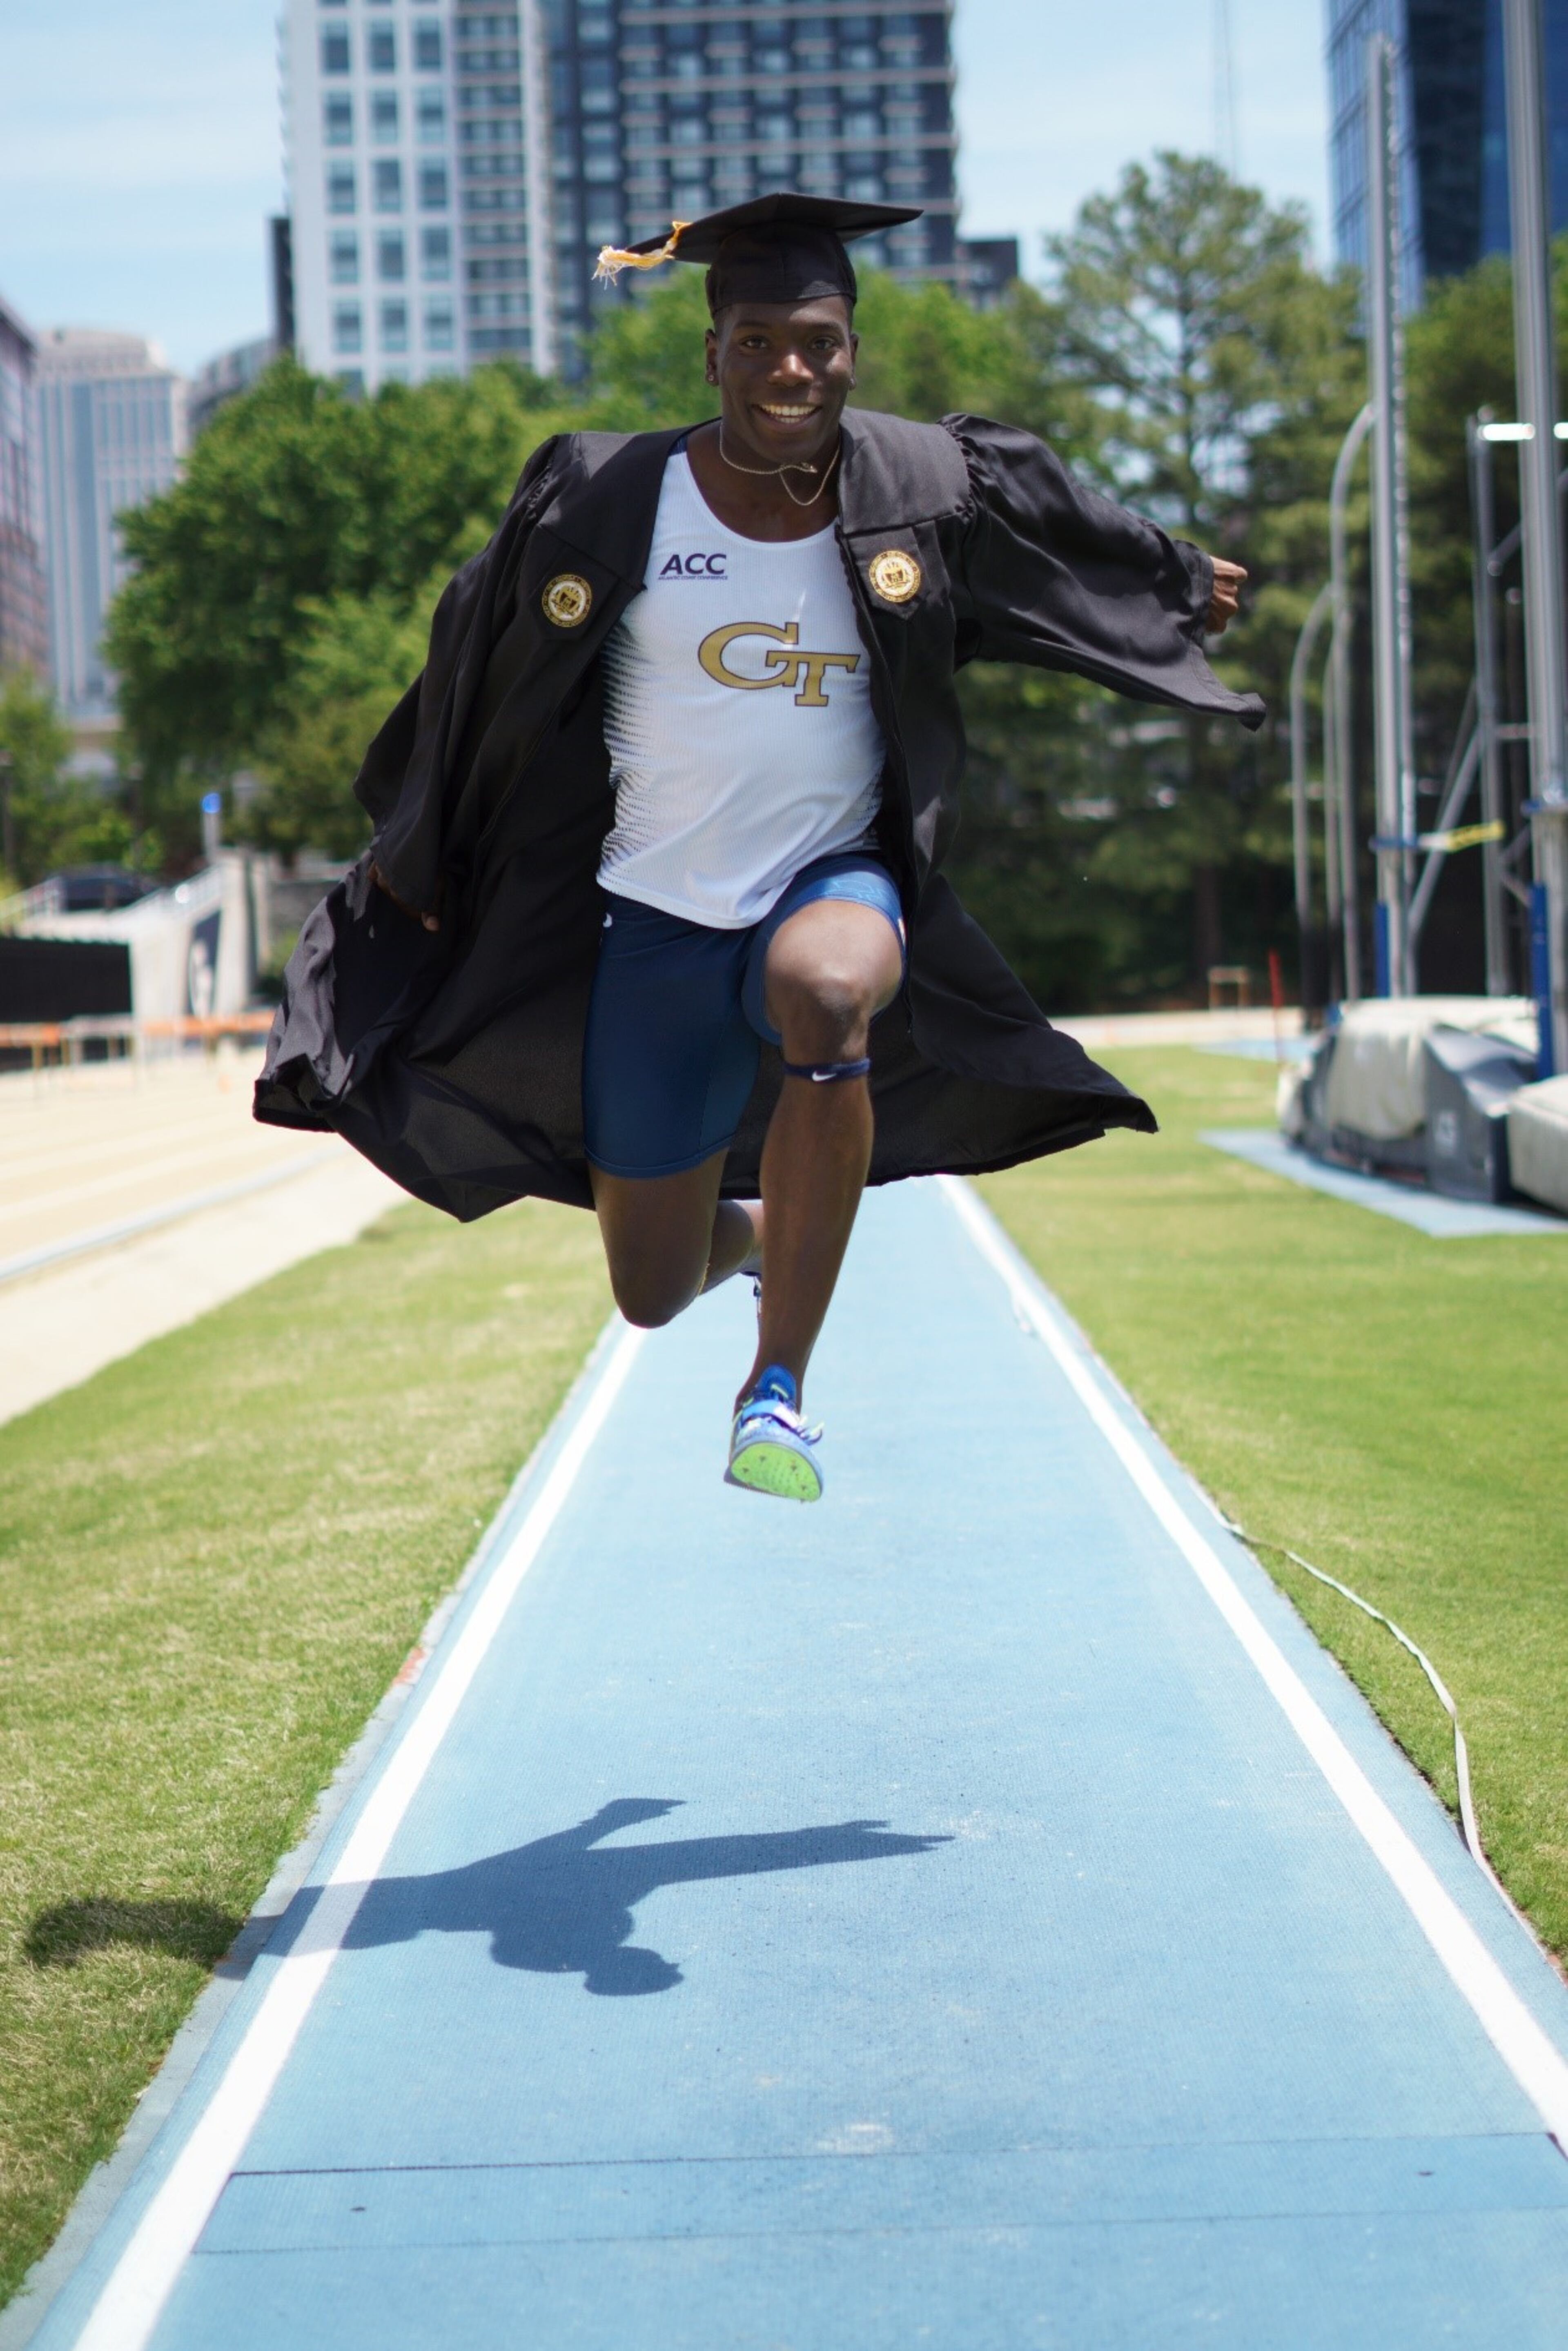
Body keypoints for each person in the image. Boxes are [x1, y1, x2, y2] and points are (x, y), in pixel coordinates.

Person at [256, 193, 1258, 1504]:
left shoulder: (918, 491)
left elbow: (1059, 539)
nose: (795, 368)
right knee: (651, 1289)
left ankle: (776, 1392)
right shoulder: (605, 502)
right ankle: (769, 1233)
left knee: (829, 990)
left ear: (852, 347)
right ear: (714, 353)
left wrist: (1171, 577)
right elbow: (475, 659)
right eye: (762, 340)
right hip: (655, 918)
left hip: (832, 876)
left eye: (822, 341)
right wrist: (416, 846)